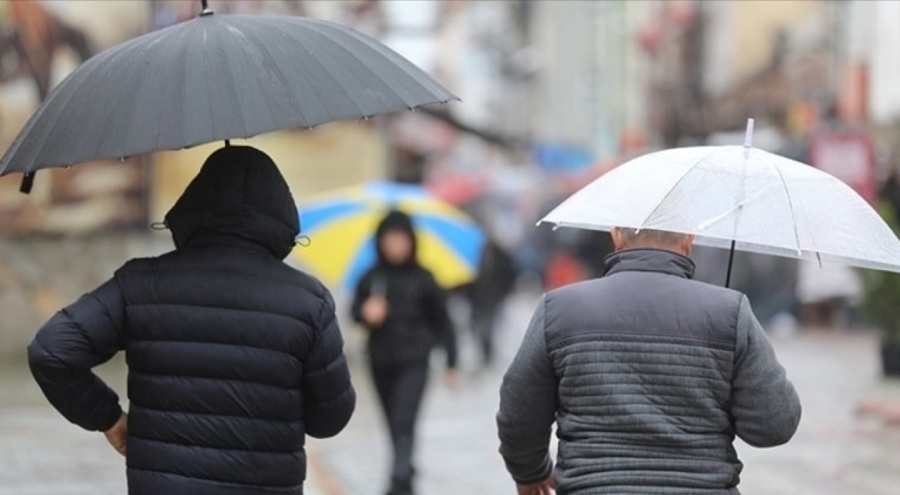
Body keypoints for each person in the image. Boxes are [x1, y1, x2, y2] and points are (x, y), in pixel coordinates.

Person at [28, 146, 356, 495]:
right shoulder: (307, 301)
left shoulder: (140, 284)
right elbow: (329, 420)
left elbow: (52, 352)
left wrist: (108, 418)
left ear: (192, 206)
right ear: (280, 213)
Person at [497, 227, 801, 495]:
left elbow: (519, 412)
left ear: (616, 235)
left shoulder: (558, 309)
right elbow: (774, 425)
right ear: (688, 239)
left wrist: (531, 473)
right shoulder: (729, 311)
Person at [351, 210, 458, 495]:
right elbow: (354, 311)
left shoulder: (425, 278)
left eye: (401, 239)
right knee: (391, 422)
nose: (395, 245)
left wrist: (451, 361)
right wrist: (366, 312)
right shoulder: (373, 277)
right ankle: (405, 472)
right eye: (390, 239)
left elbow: (444, 321)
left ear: (411, 241)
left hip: (415, 361)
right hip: (380, 361)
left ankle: (398, 481)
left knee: (404, 420)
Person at [467, 236, 517, 367]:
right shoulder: (472, 254)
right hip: (478, 298)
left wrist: (502, 293)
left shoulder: (500, 255)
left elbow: (508, 276)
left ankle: (487, 354)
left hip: (492, 298)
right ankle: (485, 353)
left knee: (487, 327)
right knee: (478, 327)